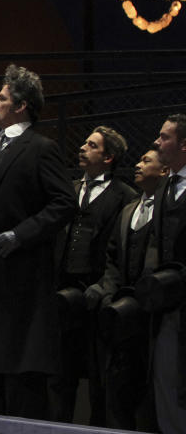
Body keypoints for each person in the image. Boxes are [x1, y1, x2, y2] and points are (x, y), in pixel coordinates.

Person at [0, 65, 75, 419]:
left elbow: (64, 203)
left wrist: (20, 235)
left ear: (21, 105)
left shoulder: (41, 148)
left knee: (22, 384)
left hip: (23, 282)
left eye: (1, 97)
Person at [49, 126, 136, 424]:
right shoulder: (69, 189)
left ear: (108, 157)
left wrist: (103, 287)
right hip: (63, 296)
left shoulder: (124, 196)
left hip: (98, 300)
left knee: (99, 383)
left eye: (91, 145)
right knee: (60, 379)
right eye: (84, 143)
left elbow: (119, 251)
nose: (82, 148)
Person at [87, 145, 165, 431]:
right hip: (121, 317)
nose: (138, 165)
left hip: (152, 315)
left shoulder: (166, 209)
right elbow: (112, 258)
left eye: (146, 161)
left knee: (151, 396)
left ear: (165, 170)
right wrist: (109, 295)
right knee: (117, 392)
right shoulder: (129, 210)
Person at [149, 114, 186, 433]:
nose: (157, 142)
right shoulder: (164, 187)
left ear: (184, 143)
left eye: (165, 137)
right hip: (167, 305)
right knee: (166, 381)